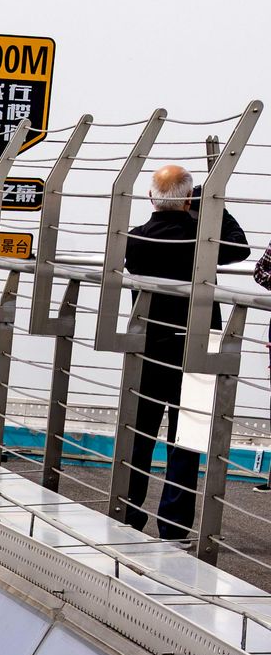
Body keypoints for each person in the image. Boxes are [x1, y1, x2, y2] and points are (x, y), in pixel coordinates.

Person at [121, 161, 250, 540]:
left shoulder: (134, 238)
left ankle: (126, 513)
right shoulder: (204, 239)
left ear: (150, 197)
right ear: (190, 197)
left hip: (149, 342)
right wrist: (215, 205)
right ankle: (174, 526)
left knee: (139, 431)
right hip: (196, 342)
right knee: (185, 438)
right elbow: (239, 247)